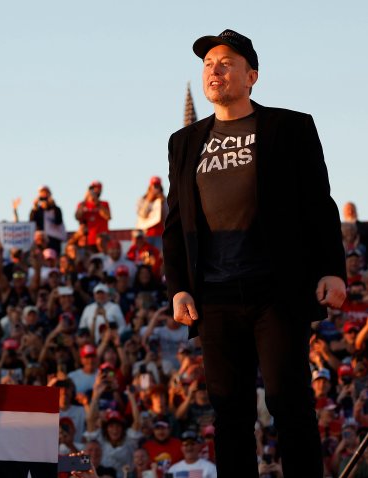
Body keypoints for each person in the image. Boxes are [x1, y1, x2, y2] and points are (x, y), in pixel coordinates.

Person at [163, 29, 346, 477]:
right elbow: (175, 222)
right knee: (230, 414)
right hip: (214, 295)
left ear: (252, 76)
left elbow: (318, 203)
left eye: (225, 62)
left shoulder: (291, 127)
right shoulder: (183, 142)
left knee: (290, 404)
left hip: (275, 288)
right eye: (207, 65)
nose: (214, 70)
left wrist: (332, 270)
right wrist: (179, 287)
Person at [75, 180, 111, 251]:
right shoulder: (82, 204)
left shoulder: (104, 204)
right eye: (92, 188)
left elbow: (108, 216)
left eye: (97, 189)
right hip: (87, 240)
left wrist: (96, 202)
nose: (94, 191)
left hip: (101, 241)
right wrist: (85, 200)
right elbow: (77, 216)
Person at [28, 185, 66, 253]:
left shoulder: (56, 209)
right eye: (42, 193)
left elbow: (58, 221)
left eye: (46, 193)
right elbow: (32, 222)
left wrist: (53, 206)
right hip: (41, 240)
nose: (44, 195)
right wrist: (34, 208)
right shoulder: (37, 210)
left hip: (54, 239)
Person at [135, 176, 166, 250]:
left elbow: (166, 217)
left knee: (159, 256)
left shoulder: (164, 200)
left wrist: (162, 203)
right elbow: (142, 214)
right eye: (154, 186)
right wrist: (149, 200)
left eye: (157, 186)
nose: (155, 188)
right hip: (146, 234)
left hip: (160, 234)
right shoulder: (142, 200)